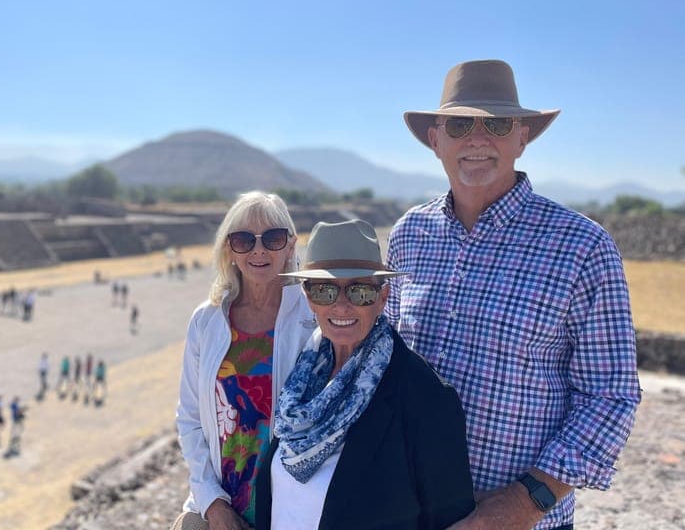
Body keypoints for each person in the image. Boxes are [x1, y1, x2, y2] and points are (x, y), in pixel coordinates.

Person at [385, 59, 642, 529]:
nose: (478, 140)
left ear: (522, 138)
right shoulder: (409, 236)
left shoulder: (582, 246)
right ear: (435, 139)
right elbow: (387, 362)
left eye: (498, 124)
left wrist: (520, 504)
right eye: (461, 124)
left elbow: (609, 396)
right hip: (410, 511)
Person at [254, 219, 474, 529]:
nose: (342, 306)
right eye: (325, 290)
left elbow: (449, 520)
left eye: (359, 292)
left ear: (382, 297)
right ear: (309, 298)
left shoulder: (426, 397)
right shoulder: (301, 378)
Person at [173, 191, 315, 530]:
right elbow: (189, 419)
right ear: (229, 250)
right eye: (243, 240)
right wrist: (212, 503)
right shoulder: (206, 322)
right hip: (221, 504)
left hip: (291, 509)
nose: (259, 250)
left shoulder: (312, 318)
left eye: (273, 238)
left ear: (290, 247)